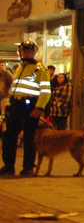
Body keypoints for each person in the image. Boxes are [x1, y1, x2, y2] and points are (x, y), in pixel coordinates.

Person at [1, 41, 51, 176]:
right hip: (16, 106)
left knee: (29, 139)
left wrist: (39, 107)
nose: (26, 53)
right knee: (8, 136)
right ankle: (9, 166)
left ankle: (28, 167)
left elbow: (46, 91)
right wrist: (9, 106)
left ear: (34, 52)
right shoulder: (20, 68)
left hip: (30, 107)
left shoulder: (40, 69)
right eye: (24, 50)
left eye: (29, 50)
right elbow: (15, 89)